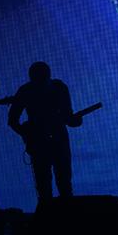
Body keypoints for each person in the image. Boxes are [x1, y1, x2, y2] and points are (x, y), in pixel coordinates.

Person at [8, 61, 81, 206]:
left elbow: (12, 120)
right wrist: (27, 134)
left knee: (48, 186)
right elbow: (69, 117)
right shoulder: (58, 87)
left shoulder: (27, 90)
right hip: (52, 141)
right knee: (59, 184)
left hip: (45, 142)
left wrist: (26, 133)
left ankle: (50, 214)